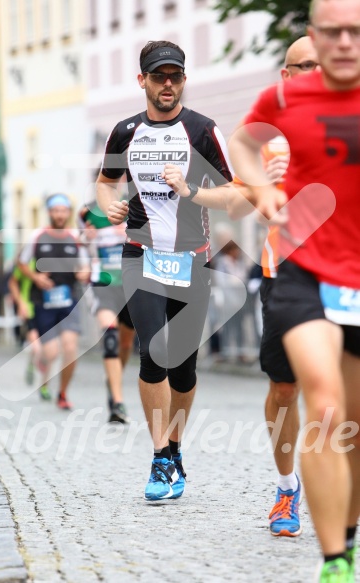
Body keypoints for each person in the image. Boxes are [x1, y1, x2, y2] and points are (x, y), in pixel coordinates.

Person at [229, 0, 360, 579]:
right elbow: (241, 148)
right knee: (317, 403)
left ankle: (345, 527)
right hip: (295, 270)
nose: (345, 44)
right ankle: (328, 551)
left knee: (351, 417)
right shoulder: (281, 107)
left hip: (355, 273)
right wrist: (263, 190)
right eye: (331, 34)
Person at [96, 40, 235, 501]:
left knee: (184, 369)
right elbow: (105, 181)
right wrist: (108, 208)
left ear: (184, 80)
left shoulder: (202, 130)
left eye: (175, 75)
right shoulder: (125, 131)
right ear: (143, 81)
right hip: (141, 254)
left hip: (193, 260)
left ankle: (175, 447)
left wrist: (193, 190)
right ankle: (159, 457)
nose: (168, 84)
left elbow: (235, 194)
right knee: (153, 355)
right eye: (159, 77)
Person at [231, 36, 320, 538]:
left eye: (318, 63)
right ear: (285, 76)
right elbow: (240, 205)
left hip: (346, 274)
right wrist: (264, 183)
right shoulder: (268, 133)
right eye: (299, 66)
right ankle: (287, 488)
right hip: (283, 274)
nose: (310, 71)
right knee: (284, 387)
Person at [18, 193, 90, 409]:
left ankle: (63, 393)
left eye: (63, 210)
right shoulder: (38, 237)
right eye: (55, 211)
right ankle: (44, 381)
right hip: (43, 303)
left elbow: (85, 266)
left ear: (68, 213)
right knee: (50, 353)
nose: (59, 215)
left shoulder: (75, 239)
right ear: (49, 213)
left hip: (68, 302)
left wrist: (83, 273)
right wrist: (36, 277)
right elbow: (21, 263)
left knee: (70, 348)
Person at [79, 198, 136, 423]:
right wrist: (85, 240)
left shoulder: (136, 204)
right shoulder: (88, 211)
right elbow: (78, 240)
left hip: (131, 284)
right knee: (110, 338)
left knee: (125, 344)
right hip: (103, 284)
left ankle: (114, 382)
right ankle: (117, 401)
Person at [8, 259, 42, 385]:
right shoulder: (26, 261)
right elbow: (12, 282)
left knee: (48, 349)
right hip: (29, 309)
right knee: (38, 347)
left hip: (47, 309)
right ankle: (34, 368)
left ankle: (43, 382)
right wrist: (20, 303)